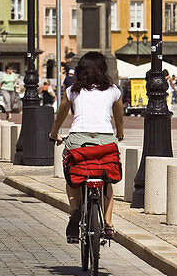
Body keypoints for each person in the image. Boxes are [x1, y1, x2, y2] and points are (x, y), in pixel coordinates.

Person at [49, 51, 124, 242]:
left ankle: (75, 210)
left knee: (72, 174)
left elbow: (61, 115)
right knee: (106, 179)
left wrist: (54, 133)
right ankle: (108, 224)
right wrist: (120, 133)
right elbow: (118, 116)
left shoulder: (73, 90)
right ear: (103, 69)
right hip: (106, 141)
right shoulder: (113, 90)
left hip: (78, 141)